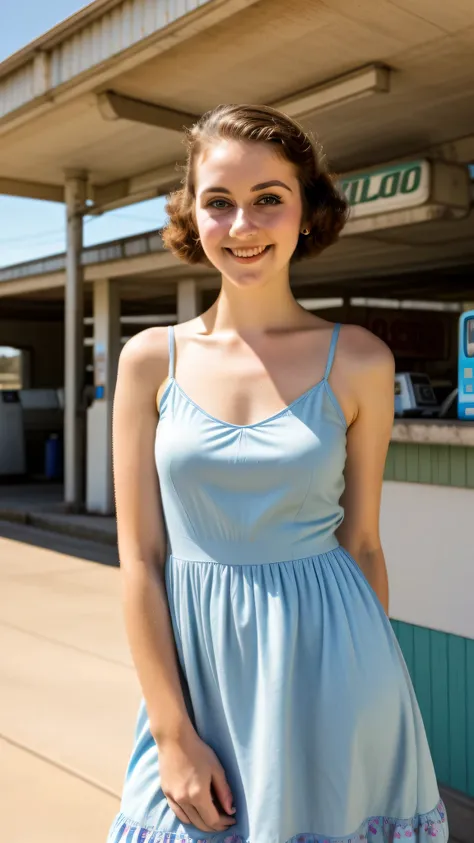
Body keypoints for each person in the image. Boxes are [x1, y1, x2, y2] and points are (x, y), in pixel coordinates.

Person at [107, 104, 448, 843]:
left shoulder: (359, 360)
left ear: (306, 211)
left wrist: (362, 701)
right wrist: (172, 733)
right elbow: (141, 559)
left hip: (341, 675)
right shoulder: (148, 362)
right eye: (219, 201)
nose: (243, 225)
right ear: (192, 216)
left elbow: (361, 545)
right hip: (201, 680)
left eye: (269, 198)